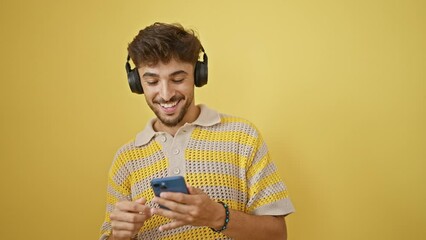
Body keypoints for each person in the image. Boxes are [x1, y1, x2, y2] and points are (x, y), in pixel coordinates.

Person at [100, 22, 295, 240]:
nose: (165, 94)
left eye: (178, 79)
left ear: (198, 75)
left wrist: (218, 216)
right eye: (152, 81)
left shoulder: (243, 137)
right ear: (136, 83)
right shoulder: (125, 160)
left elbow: (278, 235)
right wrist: (119, 235)